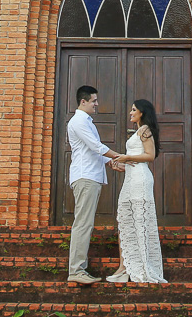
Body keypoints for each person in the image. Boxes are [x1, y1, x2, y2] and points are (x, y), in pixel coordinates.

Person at [105, 99, 167, 283]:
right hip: (131, 178)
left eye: (133, 110)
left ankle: (138, 266)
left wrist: (126, 157)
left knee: (139, 219)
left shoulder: (145, 130)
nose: (130, 113)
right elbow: (134, 161)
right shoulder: (139, 131)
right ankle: (124, 266)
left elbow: (149, 156)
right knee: (125, 219)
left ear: (142, 112)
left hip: (141, 180)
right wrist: (121, 165)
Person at [66, 85, 120, 285]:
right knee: (83, 224)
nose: (97, 104)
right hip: (85, 176)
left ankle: (78, 268)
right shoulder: (79, 121)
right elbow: (95, 146)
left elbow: (94, 150)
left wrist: (110, 163)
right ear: (83, 101)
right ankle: (76, 270)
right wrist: (119, 156)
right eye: (94, 101)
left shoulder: (87, 122)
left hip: (92, 176)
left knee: (85, 223)